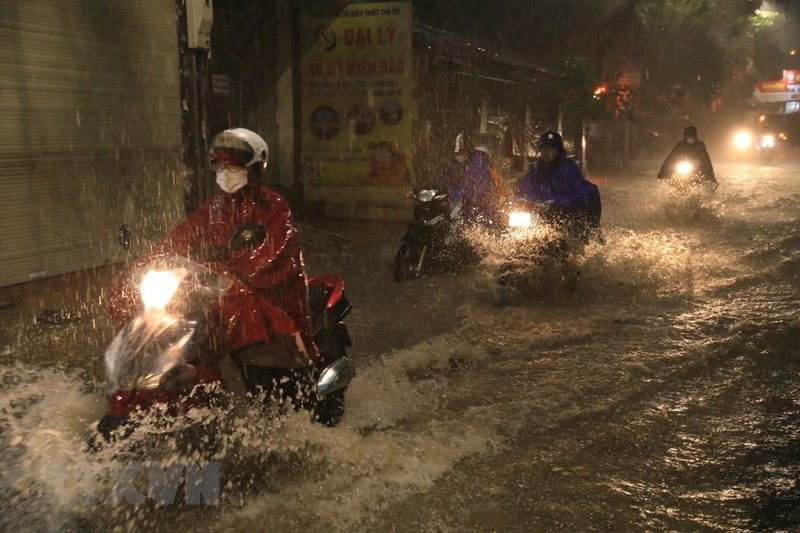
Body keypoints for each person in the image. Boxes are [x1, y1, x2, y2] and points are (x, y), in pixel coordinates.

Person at [108, 127, 317, 400]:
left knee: (264, 356)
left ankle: (275, 407)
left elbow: (269, 255)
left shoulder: (273, 206)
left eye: (234, 164)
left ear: (254, 167)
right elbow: (181, 239)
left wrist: (229, 272)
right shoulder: (215, 208)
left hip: (264, 297)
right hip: (222, 292)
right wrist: (145, 266)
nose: (225, 171)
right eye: (219, 164)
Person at [517, 129, 602, 243]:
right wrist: (518, 200)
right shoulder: (535, 172)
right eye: (544, 148)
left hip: (568, 216)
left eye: (551, 148)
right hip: (542, 217)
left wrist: (555, 202)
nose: (547, 152)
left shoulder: (570, 169)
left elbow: (577, 193)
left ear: (558, 150)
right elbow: (525, 189)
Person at [436, 133, 502, 225]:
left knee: (480, 226)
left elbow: (478, 186)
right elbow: (447, 176)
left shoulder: (479, 162)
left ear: (469, 151)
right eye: (456, 154)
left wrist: (457, 194)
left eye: (461, 153)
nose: (458, 156)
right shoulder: (455, 163)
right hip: (462, 203)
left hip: (483, 204)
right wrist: (437, 188)